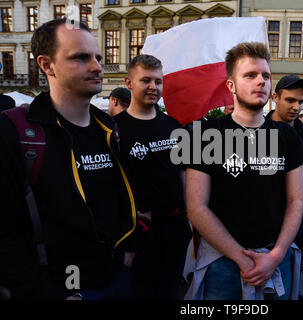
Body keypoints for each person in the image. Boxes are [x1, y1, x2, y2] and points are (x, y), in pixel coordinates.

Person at [0, 19, 136, 300]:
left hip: (116, 278)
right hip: (61, 288)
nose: (98, 66)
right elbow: (4, 230)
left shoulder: (108, 127)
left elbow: (115, 199)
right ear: (47, 65)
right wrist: (43, 292)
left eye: (97, 57)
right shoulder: (14, 131)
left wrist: (126, 252)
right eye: (81, 58)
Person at [184, 42, 303, 300]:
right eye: (250, 75)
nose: (260, 81)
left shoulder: (288, 136)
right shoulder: (203, 135)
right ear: (231, 86)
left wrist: (275, 256)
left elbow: (297, 200)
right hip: (222, 263)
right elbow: (196, 207)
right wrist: (243, 260)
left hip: (275, 260)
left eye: (265, 75)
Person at [113, 54, 191, 300]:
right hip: (135, 236)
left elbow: (184, 174)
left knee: (171, 292)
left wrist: (189, 219)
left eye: (158, 81)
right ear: (129, 83)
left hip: (174, 230)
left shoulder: (174, 126)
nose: (152, 87)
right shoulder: (112, 129)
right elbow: (107, 184)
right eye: (145, 80)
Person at [267, 74, 303, 210]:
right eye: (290, 100)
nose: (296, 107)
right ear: (275, 98)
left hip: (297, 213)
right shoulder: (259, 130)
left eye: (301, 101)